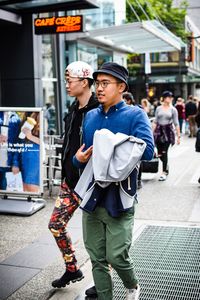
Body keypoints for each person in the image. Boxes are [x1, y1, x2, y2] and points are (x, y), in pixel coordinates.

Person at [74, 62, 154, 300]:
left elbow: (148, 151)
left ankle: (132, 286)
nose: (99, 88)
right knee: (97, 259)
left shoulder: (135, 114)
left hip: (120, 197)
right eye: (97, 83)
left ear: (121, 87)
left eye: (105, 83)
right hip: (92, 197)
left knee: (116, 255)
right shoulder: (89, 116)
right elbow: (82, 155)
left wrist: (113, 144)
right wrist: (77, 159)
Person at [48, 61, 99, 293]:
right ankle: (72, 268)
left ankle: (102, 283)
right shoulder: (72, 110)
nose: (67, 84)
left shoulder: (99, 111)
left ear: (85, 82)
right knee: (56, 224)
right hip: (70, 183)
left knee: (98, 239)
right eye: (67, 80)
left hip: (92, 185)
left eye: (70, 81)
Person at [153, 91, 180, 181]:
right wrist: (151, 133)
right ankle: (166, 165)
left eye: (171, 97)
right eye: (169, 97)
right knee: (160, 154)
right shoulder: (158, 108)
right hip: (158, 132)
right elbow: (155, 121)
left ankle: (164, 172)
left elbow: (176, 123)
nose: (170, 98)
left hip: (168, 133)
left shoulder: (173, 109)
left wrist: (178, 136)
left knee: (164, 152)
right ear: (164, 98)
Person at [0, 111, 21, 190]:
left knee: (5, 194)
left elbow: (18, 144)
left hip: (8, 164)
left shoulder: (16, 119)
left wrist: (15, 164)